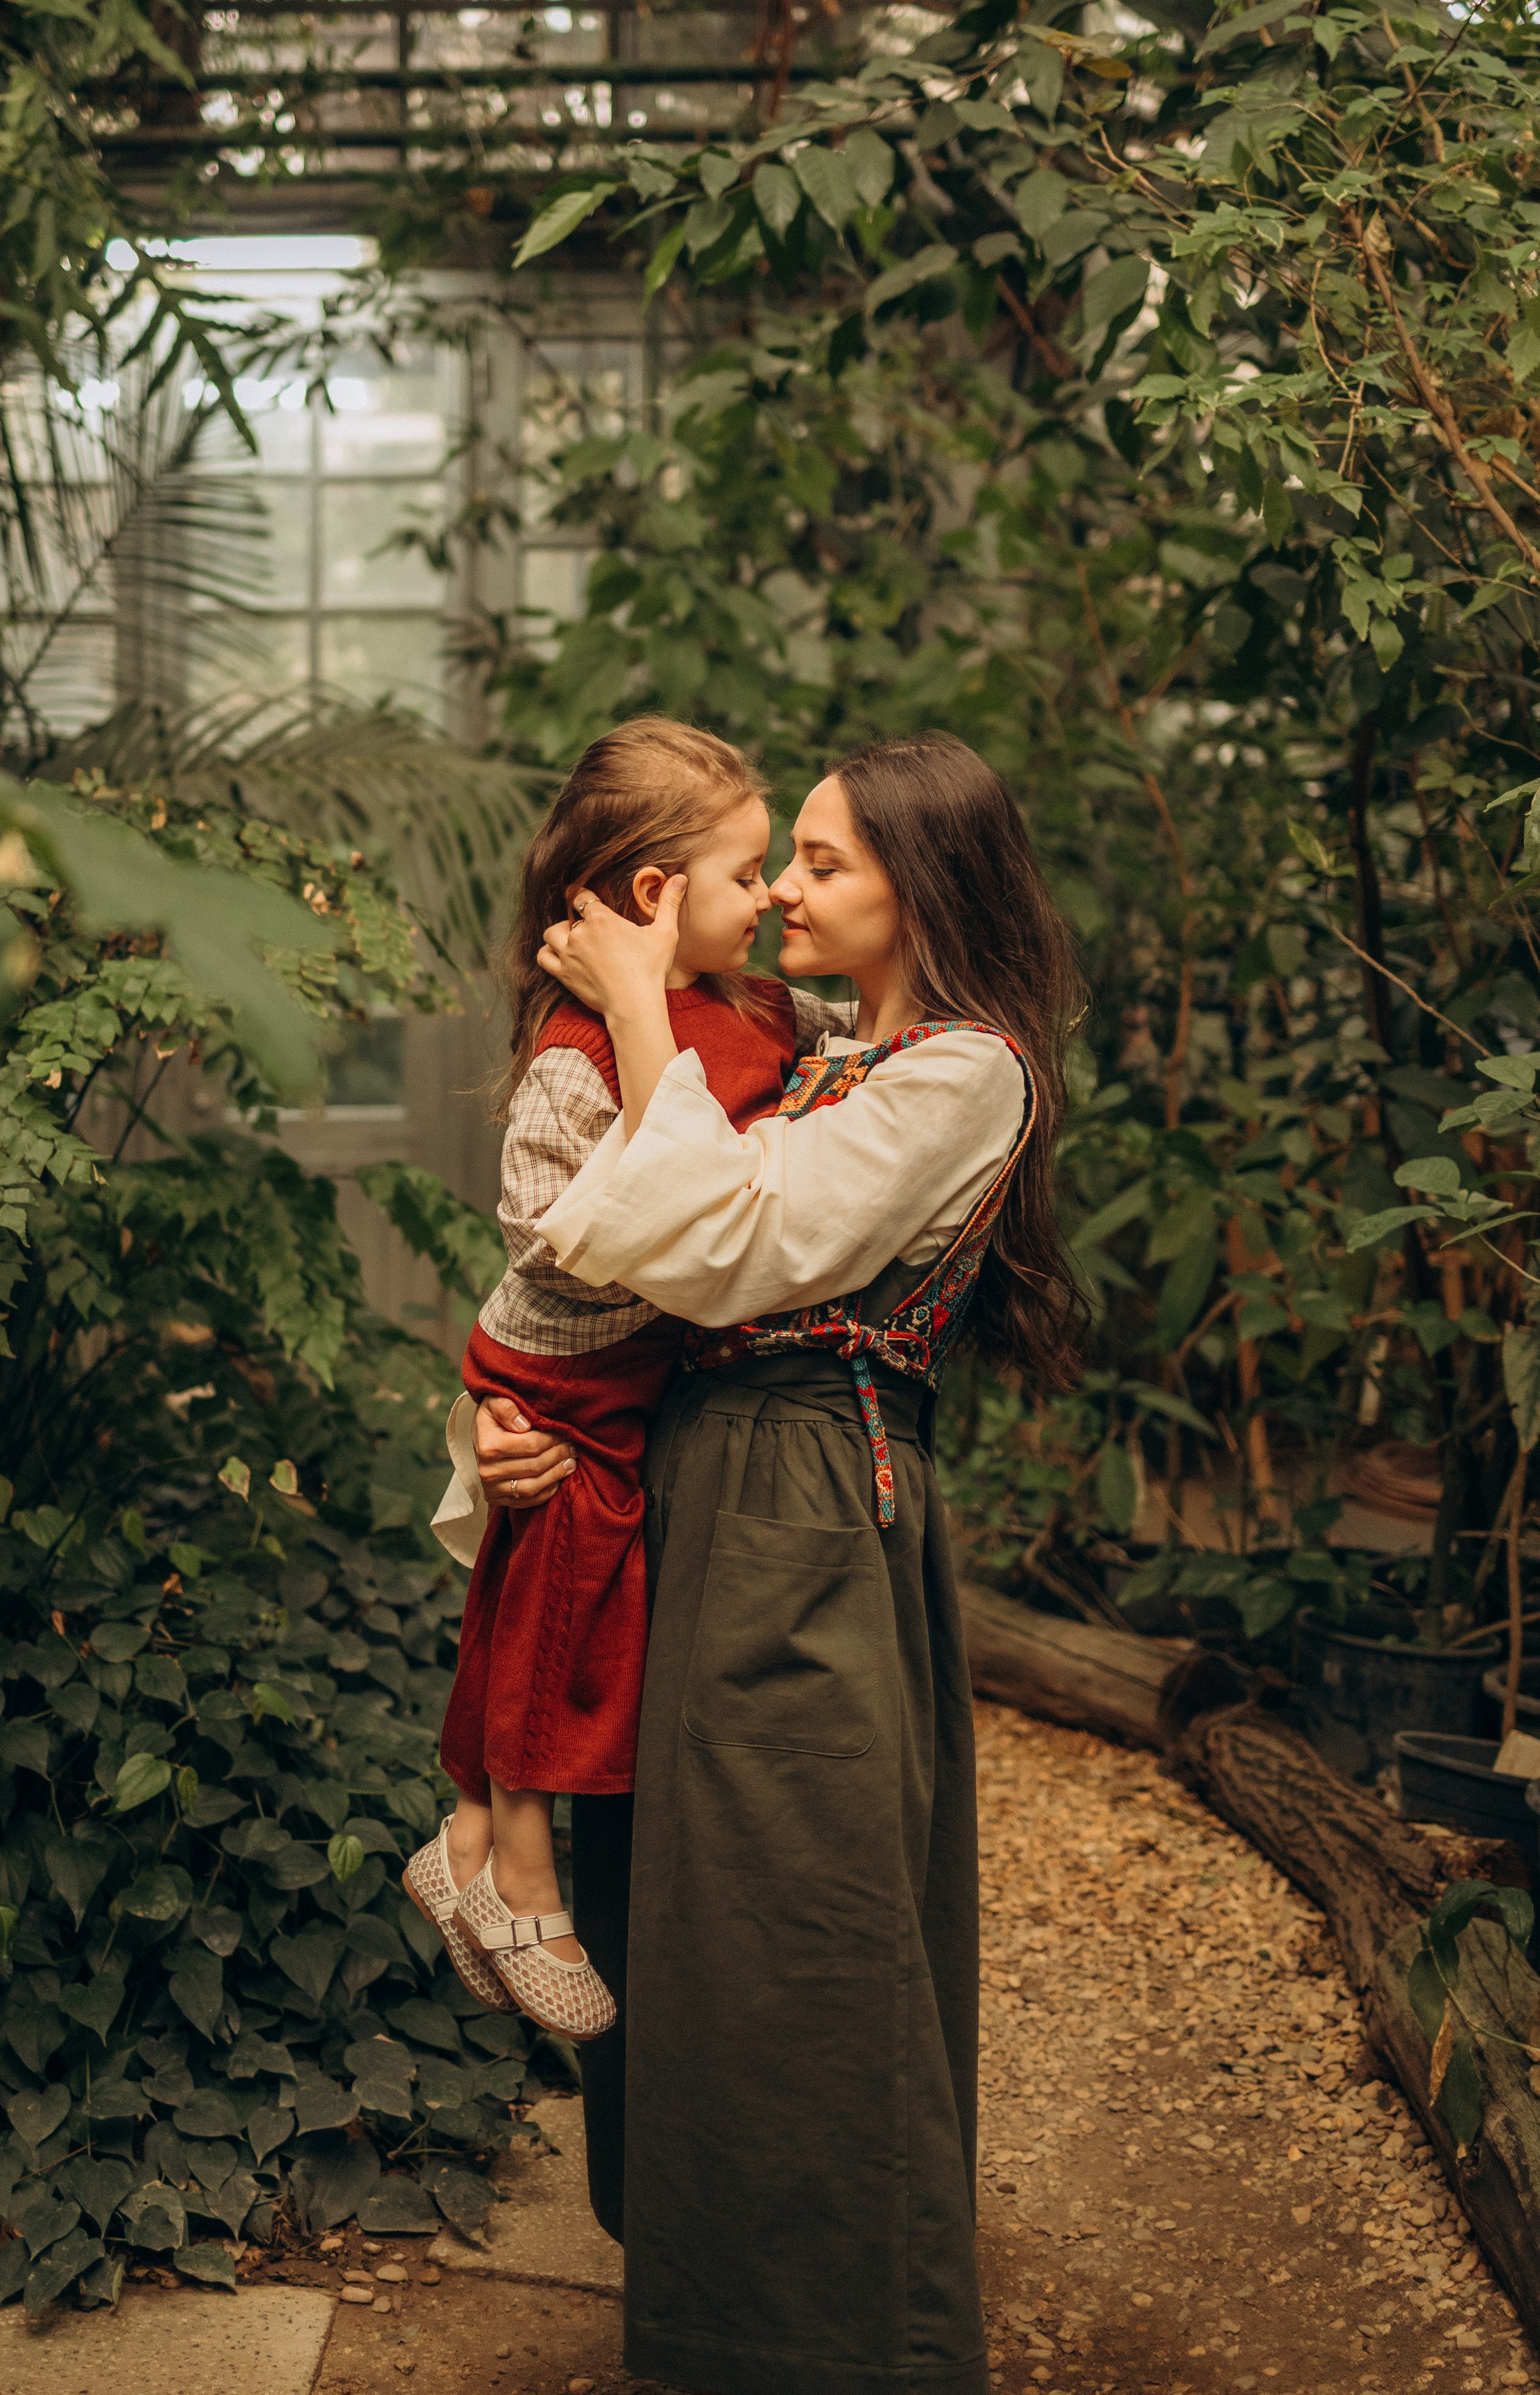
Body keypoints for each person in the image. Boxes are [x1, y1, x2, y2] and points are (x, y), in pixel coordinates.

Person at [464, 730, 1087, 2395]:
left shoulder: (969, 1071)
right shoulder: (811, 1041)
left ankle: (832, 2343)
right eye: (783, 860)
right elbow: (601, 1258)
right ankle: (710, 2317)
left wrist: (645, 992)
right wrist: (513, 1432)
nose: (789, 890)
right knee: (686, 1918)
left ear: (921, 885)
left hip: (811, 1494)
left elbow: (732, 1244)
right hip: (698, 1478)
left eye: (820, 863)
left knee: (799, 1918)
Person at [401, 718, 849, 2038]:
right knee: (561, 1575)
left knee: (557, 1574)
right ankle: (520, 1863)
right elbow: (562, 1244)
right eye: (750, 870)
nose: (770, 895)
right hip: (560, 1360)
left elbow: (831, 1054)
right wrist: (677, 1236)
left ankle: (471, 1833)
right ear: (657, 898)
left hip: (630, 1371)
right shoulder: (573, 1055)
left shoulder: (757, 1003)